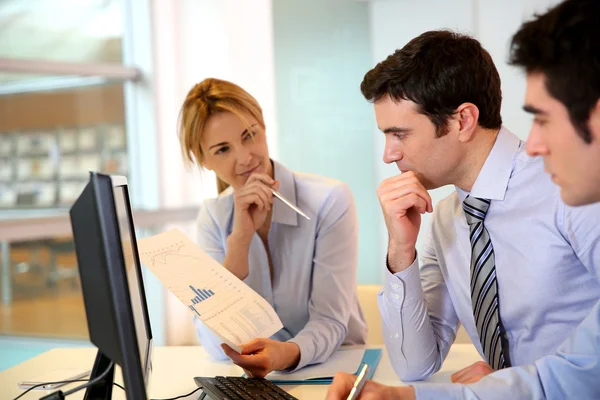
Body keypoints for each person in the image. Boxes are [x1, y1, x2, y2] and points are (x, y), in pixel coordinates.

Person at [327, 0, 600, 399]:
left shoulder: (573, 188)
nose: (389, 154)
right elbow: (414, 364)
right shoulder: (446, 218)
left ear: (463, 121)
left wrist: (509, 380)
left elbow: (584, 370)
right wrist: (400, 249)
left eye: (399, 134)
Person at [177, 78, 367, 378]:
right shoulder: (213, 218)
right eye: (223, 149)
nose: (245, 157)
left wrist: (283, 356)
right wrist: (240, 240)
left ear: (263, 127)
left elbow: (330, 320)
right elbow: (214, 344)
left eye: (249, 135)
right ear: (204, 160)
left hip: (334, 371)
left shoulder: (329, 200)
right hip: (261, 381)